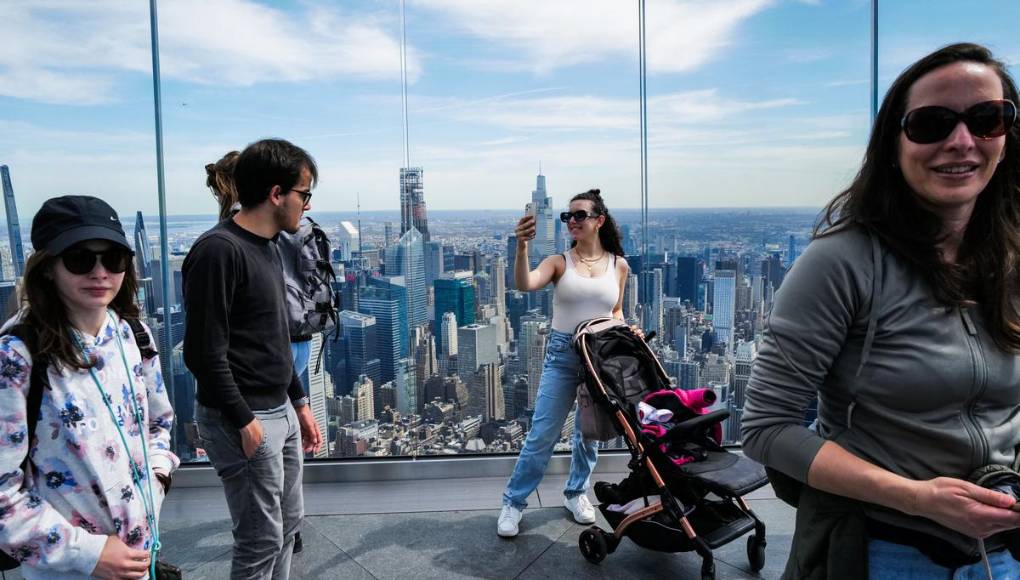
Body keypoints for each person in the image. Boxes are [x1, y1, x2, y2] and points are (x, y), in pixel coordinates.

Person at [741, 43, 1020, 578]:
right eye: (932, 123)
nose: (962, 141)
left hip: (1003, 551)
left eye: (987, 119)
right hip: (882, 549)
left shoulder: (1010, 256)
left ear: (1007, 138)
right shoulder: (842, 261)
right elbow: (766, 428)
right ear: (894, 143)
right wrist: (916, 497)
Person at [0, 195, 179, 579]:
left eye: (113, 259)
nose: (100, 272)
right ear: (48, 267)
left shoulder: (135, 334)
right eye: (80, 259)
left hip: (141, 558)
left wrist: (157, 480)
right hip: (68, 570)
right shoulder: (17, 355)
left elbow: (159, 423)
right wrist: (89, 554)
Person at [184, 138, 323, 580]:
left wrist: (299, 403)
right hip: (243, 417)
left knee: (288, 526)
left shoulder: (267, 245)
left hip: (277, 410)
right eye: (304, 193)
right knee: (260, 540)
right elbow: (202, 352)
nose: (307, 204)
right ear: (277, 193)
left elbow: (275, 336)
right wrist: (244, 420)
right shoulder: (218, 251)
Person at [498, 189, 639, 538]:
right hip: (563, 356)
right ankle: (513, 502)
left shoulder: (619, 265)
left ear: (599, 221)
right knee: (542, 434)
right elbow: (525, 284)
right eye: (568, 216)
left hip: (601, 357)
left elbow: (616, 310)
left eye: (579, 215)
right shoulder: (559, 262)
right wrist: (522, 247)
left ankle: (576, 493)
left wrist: (627, 329)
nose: (571, 221)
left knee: (589, 433)